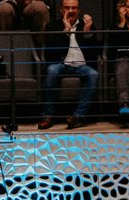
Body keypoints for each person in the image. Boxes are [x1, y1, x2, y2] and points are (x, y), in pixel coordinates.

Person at [39, 0, 103, 129]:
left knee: (93, 74)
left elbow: (94, 53)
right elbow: (50, 53)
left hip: (82, 65)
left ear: (78, 10)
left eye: (74, 8)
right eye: (67, 8)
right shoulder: (52, 26)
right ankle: (47, 116)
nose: (71, 11)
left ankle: (78, 117)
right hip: (61, 63)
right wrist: (66, 32)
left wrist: (86, 33)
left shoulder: (87, 25)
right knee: (51, 70)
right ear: (61, 10)